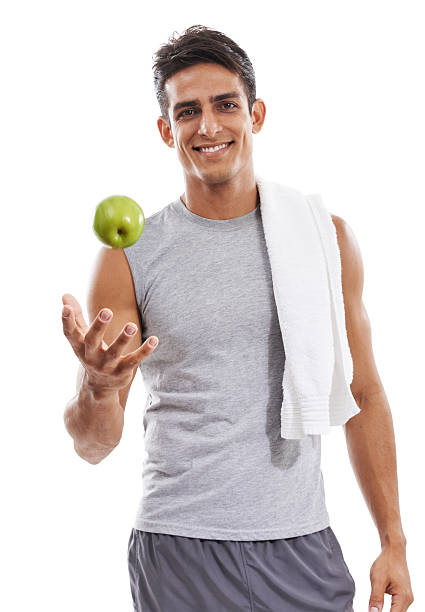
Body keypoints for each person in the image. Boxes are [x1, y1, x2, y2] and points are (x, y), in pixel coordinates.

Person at [62, 24, 414, 612]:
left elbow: (363, 392)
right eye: (187, 112)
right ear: (164, 129)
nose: (208, 127)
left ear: (256, 114)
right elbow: (93, 447)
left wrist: (393, 541)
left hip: (302, 543)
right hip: (179, 547)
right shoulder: (131, 253)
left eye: (226, 105)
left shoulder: (324, 238)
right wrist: (98, 384)